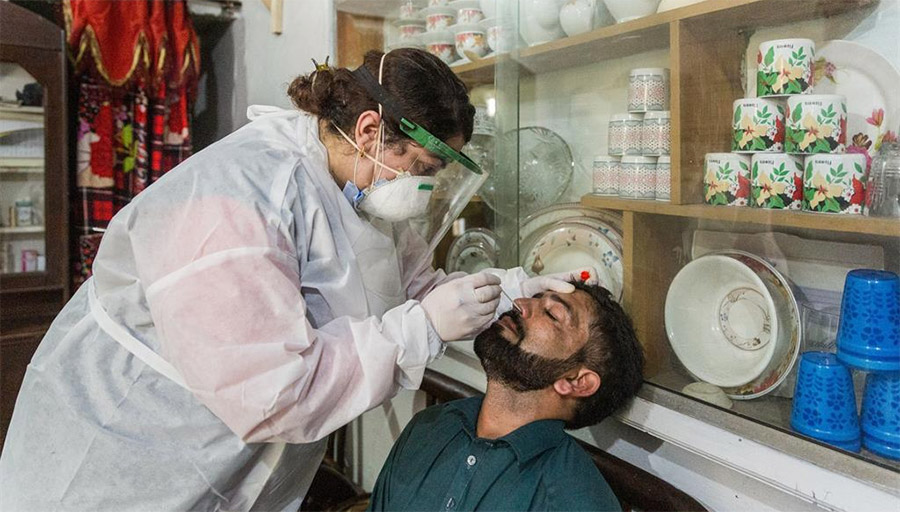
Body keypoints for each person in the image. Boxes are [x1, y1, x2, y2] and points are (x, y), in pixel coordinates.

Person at [0, 48, 594, 511]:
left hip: (228, 456)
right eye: (424, 169)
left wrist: (515, 289)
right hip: (130, 454)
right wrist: (418, 331)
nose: (426, 188)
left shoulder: (365, 193)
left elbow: (418, 289)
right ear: (368, 131)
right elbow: (272, 392)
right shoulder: (238, 200)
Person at [368, 282, 645, 512]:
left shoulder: (576, 501)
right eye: (534, 297)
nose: (520, 304)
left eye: (552, 314)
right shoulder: (429, 427)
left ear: (576, 381)